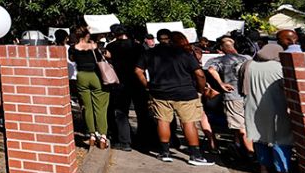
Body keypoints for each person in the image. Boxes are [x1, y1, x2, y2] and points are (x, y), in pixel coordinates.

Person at [136, 32, 220, 165]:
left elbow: (138, 71)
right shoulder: (183, 53)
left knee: (163, 121)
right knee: (188, 123)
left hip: (160, 92)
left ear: (157, 39)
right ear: (170, 38)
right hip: (185, 92)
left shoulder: (149, 53)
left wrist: (147, 85)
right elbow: (199, 74)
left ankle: (165, 152)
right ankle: (195, 155)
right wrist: (200, 88)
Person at [244, 43, 294, 173]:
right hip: (278, 108)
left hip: (253, 108)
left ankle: (264, 167)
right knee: (281, 139)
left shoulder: (249, 66)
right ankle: (281, 171)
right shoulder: (281, 68)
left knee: (260, 138)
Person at [205, 36, 251, 160]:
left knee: (240, 127)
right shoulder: (247, 58)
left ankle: (249, 152)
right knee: (247, 124)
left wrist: (221, 83)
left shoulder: (218, 60)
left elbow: (210, 70)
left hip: (233, 95)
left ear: (221, 48)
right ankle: (244, 148)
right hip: (250, 96)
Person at [106, 25, 148, 152]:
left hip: (120, 82)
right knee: (142, 112)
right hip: (137, 81)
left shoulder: (111, 47)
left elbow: (109, 61)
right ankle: (143, 140)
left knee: (121, 112)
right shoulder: (138, 47)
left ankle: (125, 141)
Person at [69, 26, 111, 148]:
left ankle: (92, 135)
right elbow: (105, 56)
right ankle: (103, 136)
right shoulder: (94, 46)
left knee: (87, 108)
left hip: (81, 76)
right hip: (95, 76)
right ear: (87, 34)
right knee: (100, 108)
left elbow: (71, 59)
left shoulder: (73, 48)